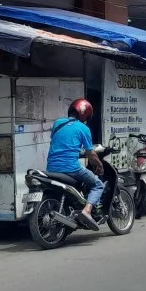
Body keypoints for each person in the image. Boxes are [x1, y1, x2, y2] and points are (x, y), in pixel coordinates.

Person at [46, 98, 104, 230]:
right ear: (85, 114)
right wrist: (99, 165)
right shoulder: (84, 128)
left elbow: (60, 143)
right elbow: (91, 154)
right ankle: (87, 211)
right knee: (98, 184)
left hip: (51, 167)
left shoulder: (57, 123)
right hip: (71, 168)